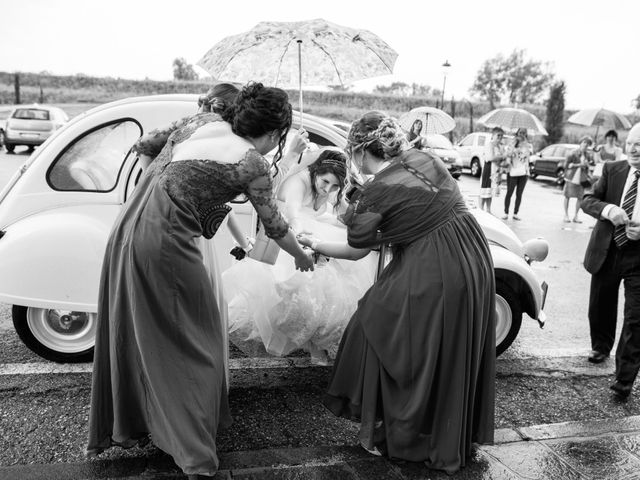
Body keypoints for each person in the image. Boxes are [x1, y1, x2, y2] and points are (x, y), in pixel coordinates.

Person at [85, 82, 315, 479]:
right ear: (277, 133)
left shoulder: (200, 120)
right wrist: (301, 256)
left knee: (148, 330)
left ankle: (146, 422)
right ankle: (194, 456)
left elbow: (145, 145)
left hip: (130, 224)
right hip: (165, 241)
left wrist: (158, 191)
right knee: (198, 342)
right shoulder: (251, 163)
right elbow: (275, 227)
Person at [298, 111, 496, 473]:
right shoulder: (425, 158)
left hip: (436, 265)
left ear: (358, 151)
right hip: (472, 255)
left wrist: (316, 243)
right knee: (438, 345)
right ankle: (434, 429)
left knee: (375, 321)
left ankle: (401, 430)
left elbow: (359, 246)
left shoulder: (377, 188)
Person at [222, 149, 377, 364]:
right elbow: (294, 215)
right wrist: (305, 239)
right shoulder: (299, 182)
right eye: (325, 182)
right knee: (279, 300)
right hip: (286, 239)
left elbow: (346, 214)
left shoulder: (330, 189)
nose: (327, 190)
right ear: (316, 171)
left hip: (305, 238)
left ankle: (318, 346)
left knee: (327, 290)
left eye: (334, 186)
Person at [582, 122, 640, 400]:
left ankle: (624, 380)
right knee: (601, 302)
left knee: (635, 318)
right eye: (631, 143)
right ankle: (601, 346)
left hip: (638, 258)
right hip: (608, 250)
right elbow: (587, 200)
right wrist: (607, 209)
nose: (635, 149)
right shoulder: (612, 169)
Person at [502, 128, 533, 220]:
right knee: (509, 192)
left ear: (526, 135)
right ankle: (506, 212)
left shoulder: (528, 145)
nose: (522, 134)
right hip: (512, 171)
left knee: (519, 193)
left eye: (524, 133)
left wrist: (524, 145)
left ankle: (515, 213)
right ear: (517, 133)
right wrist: (515, 147)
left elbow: (529, 155)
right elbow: (507, 154)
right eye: (520, 132)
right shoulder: (512, 143)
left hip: (524, 172)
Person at [563, 136, 594, 223]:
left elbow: (591, 166)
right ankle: (566, 215)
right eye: (584, 142)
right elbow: (566, 165)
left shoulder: (588, 155)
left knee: (580, 197)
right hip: (571, 177)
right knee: (567, 196)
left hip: (582, 178)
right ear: (580, 143)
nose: (585, 145)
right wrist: (579, 165)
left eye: (588, 144)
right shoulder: (572, 153)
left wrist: (587, 165)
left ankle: (576, 216)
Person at [479, 127, 506, 213]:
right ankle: (481, 209)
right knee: (485, 190)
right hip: (489, 169)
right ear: (493, 135)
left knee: (490, 191)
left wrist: (502, 158)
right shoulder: (489, 145)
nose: (500, 138)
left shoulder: (500, 146)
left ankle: (488, 209)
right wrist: (501, 157)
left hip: (496, 170)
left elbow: (503, 158)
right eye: (498, 135)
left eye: (501, 136)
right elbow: (490, 157)